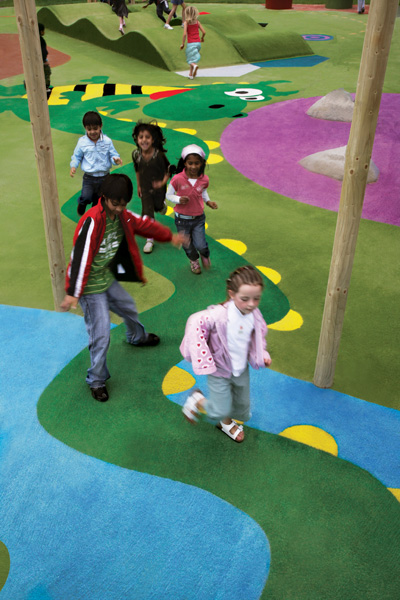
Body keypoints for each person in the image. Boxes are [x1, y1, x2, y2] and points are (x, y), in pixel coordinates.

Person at [61, 173, 186, 403]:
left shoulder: (124, 216)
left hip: (106, 277)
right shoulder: (92, 220)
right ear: (104, 197)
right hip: (89, 286)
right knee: (101, 334)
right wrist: (73, 293)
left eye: (123, 204)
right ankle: (96, 380)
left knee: (128, 306)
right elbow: (80, 256)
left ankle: (136, 337)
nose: (119, 209)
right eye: (115, 204)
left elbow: (144, 224)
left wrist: (169, 236)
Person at [180, 266, 272, 443]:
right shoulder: (219, 316)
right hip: (219, 370)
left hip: (240, 368)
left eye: (256, 298)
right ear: (232, 294)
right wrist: (203, 360)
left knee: (243, 408)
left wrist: (262, 354)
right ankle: (200, 402)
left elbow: (257, 338)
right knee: (219, 410)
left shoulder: (254, 315)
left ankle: (227, 418)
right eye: (245, 299)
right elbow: (195, 322)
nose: (251, 304)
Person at [166, 144, 217, 274]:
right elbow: (168, 195)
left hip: (198, 218)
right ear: (185, 163)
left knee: (201, 245)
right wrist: (178, 199)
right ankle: (194, 261)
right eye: (190, 163)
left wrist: (208, 201)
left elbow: (203, 191)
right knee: (187, 245)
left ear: (202, 163)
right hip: (181, 220)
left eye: (197, 163)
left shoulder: (204, 179)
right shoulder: (177, 179)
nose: (193, 166)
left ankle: (205, 254)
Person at [70, 111, 123, 216]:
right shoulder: (82, 142)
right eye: (89, 129)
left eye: (95, 128)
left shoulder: (107, 141)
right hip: (89, 178)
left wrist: (116, 160)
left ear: (100, 126)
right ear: (85, 128)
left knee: (99, 200)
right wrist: (73, 166)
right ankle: (82, 203)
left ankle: (94, 215)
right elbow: (76, 156)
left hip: (105, 177)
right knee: (86, 196)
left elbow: (113, 154)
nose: (92, 132)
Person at [132, 121, 172, 254]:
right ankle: (150, 239)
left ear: (153, 139)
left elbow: (168, 170)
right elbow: (137, 170)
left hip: (159, 189)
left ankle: (161, 206)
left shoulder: (159, 155)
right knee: (147, 212)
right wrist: (139, 185)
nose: (144, 140)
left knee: (158, 207)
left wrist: (162, 183)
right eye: (141, 137)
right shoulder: (136, 155)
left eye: (147, 137)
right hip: (145, 188)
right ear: (137, 139)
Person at [180, 6, 205, 79]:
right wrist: (202, 38)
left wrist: (182, 43)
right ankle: (190, 74)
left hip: (191, 43)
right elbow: (204, 32)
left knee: (190, 60)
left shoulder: (186, 23)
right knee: (193, 58)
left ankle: (194, 66)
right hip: (198, 43)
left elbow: (185, 34)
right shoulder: (197, 22)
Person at [38, 23, 52, 94]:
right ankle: (45, 87)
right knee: (47, 72)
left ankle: (28, 84)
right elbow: (43, 51)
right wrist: (44, 60)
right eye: (43, 30)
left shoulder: (32, 39)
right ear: (41, 31)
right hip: (42, 60)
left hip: (35, 61)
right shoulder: (41, 40)